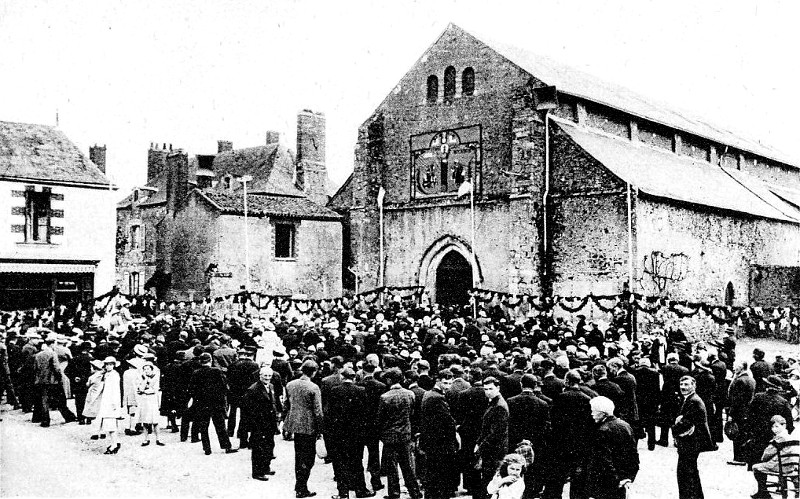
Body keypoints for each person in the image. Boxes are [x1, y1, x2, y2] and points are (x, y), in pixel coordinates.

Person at [326, 367, 374, 499]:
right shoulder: (361, 391)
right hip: (356, 434)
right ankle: (361, 490)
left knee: (340, 463)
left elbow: (329, 413)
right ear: (353, 378)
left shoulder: (335, 390)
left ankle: (343, 493)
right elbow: (366, 414)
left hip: (339, 433)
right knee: (357, 462)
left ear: (342, 377)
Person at [376, 367, 421, 499]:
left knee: (392, 467)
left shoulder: (385, 397)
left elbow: (380, 419)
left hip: (390, 436)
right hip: (405, 434)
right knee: (408, 465)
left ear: (389, 380)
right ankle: (415, 492)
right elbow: (412, 414)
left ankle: (394, 493)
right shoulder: (410, 394)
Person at [585, 396, 639, 499]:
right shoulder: (626, 426)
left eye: (594, 411)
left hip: (605, 483)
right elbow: (634, 455)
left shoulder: (602, 431)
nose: (592, 414)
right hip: (623, 480)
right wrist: (628, 478)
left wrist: (616, 480)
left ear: (602, 413)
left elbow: (604, 460)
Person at [284, 359, 324, 498]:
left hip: (295, 425)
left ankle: (299, 485)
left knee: (298, 456)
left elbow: (286, 404)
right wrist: (321, 430)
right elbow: (318, 411)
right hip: (309, 426)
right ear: (314, 372)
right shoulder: (313, 388)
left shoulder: (290, 384)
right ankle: (302, 487)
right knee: (308, 458)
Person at [506, 373, 550, 499]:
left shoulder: (511, 401)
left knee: (514, 473)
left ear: (521, 384)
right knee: (531, 476)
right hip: (535, 444)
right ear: (535, 385)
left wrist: (520, 439)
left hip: (515, 443)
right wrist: (531, 440)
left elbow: (510, 424)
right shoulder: (543, 404)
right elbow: (545, 427)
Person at [672, 375, 715, 499]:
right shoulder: (690, 399)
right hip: (692, 442)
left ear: (694, 385)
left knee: (685, 474)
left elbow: (685, 423)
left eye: (686, 384)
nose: (683, 387)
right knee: (691, 472)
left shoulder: (693, 401)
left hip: (691, 443)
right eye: (681, 384)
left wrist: (674, 427)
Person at [419, 368, 458, 499]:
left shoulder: (428, 394)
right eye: (445, 383)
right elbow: (448, 422)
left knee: (433, 477)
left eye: (450, 383)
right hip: (441, 444)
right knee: (441, 479)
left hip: (431, 442)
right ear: (438, 381)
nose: (448, 386)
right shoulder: (438, 398)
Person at [188, 352, 237, 455]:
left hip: (201, 403)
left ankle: (207, 449)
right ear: (210, 361)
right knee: (220, 426)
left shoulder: (196, 373)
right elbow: (225, 387)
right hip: (216, 403)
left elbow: (191, 389)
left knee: (204, 427)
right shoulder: (217, 372)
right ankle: (226, 446)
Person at [241, 366, 280, 481]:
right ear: (260, 376)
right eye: (265, 376)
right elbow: (247, 409)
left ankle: (266, 467)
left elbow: (273, 402)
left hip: (270, 422)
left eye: (269, 376)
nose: (267, 378)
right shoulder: (253, 389)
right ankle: (257, 472)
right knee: (258, 448)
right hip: (259, 424)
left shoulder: (271, 386)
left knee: (269, 445)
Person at [750, 415, 800, 499]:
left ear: (784, 425)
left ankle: (763, 492)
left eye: (777, 426)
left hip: (780, 467)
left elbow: (768, 453)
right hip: (792, 466)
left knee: (755, 467)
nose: (774, 429)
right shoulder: (791, 437)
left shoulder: (779, 438)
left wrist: (763, 459)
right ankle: (794, 487)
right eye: (772, 427)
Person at [32, 333, 76, 427]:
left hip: (41, 381)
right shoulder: (52, 354)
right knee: (60, 400)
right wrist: (60, 378)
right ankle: (69, 417)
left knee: (44, 401)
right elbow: (56, 368)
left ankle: (45, 421)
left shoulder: (38, 355)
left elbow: (35, 368)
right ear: (52, 344)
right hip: (53, 381)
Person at [476, 376, 509, 499]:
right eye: (485, 389)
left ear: (498, 388)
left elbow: (495, 433)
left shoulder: (499, 406)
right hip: (492, 449)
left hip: (495, 451)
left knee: (491, 484)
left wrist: (480, 447)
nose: (488, 392)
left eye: (491, 388)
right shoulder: (494, 403)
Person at [727, 359, 755, 465]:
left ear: (741, 368)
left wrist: (731, 413)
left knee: (737, 434)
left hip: (739, 411)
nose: (734, 368)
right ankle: (745, 456)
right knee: (745, 433)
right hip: (747, 410)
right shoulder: (751, 379)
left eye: (736, 366)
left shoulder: (739, 380)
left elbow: (736, 400)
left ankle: (738, 458)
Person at [95, 356, 124, 454]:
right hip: (106, 401)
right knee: (109, 424)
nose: (108, 366)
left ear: (114, 365)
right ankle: (115, 442)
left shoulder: (114, 375)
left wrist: (115, 403)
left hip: (111, 402)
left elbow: (115, 390)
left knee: (110, 424)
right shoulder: (107, 374)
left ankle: (114, 444)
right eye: (107, 364)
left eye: (110, 364)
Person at [137, 360, 163, 446]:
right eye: (144, 369)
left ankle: (158, 438)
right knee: (145, 420)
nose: (146, 370)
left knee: (155, 420)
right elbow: (140, 389)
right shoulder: (142, 378)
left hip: (152, 400)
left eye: (148, 369)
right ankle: (146, 439)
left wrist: (144, 390)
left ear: (152, 369)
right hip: (144, 400)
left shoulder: (155, 377)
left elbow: (154, 390)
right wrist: (144, 383)